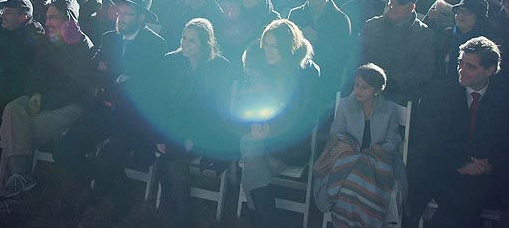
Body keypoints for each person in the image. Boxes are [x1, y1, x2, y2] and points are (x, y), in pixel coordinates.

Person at [0, 0, 98, 220]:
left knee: (15, 132)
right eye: (47, 17)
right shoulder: (47, 41)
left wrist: (44, 101)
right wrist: (34, 94)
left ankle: (10, 195)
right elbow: (34, 73)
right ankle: (20, 182)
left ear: (69, 19)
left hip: (70, 106)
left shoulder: (83, 46)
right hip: (41, 99)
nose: (47, 22)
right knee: (12, 109)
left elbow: (76, 89)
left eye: (53, 18)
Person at [407, 37, 509, 228]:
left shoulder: (505, 98)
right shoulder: (440, 94)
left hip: (484, 174)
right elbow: (428, 143)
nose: (461, 70)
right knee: (456, 198)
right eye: (460, 63)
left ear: (490, 70)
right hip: (441, 167)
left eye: (470, 66)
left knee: (467, 193)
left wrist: (489, 165)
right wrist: (460, 165)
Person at [82, 0, 167, 222]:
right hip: (104, 108)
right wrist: (114, 79)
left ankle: (111, 201)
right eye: (120, 12)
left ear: (141, 17)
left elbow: (149, 88)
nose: (121, 18)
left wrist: (117, 80)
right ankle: (109, 187)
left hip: (133, 119)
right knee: (68, 147)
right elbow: (94, 70)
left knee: (108, 156)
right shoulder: (110, 37)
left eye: (128, 14)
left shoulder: (155, 45)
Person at [237, 19, 321, 228]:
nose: (267, 51)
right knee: (249, 145)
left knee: (250, 171)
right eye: (265, 45)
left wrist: (270, 132)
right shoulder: (267, 66)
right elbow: (257, 103)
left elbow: (304, 119)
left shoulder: (307, 72)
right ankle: (268, 222)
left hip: (293, 143)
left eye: (273, 46)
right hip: (266, 137)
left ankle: (262, 222)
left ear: (287, 47)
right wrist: (258, 125)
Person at [153, 19, 235, 228]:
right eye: (184, 38)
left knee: (170, 156)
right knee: (170, 154)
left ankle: (179, 215)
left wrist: (192, 136)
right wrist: (163, 135)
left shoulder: (219, 67)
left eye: (192, 41)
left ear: (205, 44)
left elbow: (214, 111)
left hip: (206, 129)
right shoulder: (171, 61)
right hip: (174, 128)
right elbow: (162, 103)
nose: (185, 44)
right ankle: (181, 214)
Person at [313, 64, 407, 226]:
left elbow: (393, 140)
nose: (358, 90)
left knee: (361, 176)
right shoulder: (344, 105)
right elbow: (336, 133)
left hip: (379, 160)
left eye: (365, 87)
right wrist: (350, 148)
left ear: (377, 90)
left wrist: (377, 151)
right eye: (356, 85)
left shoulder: (390, 109)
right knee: (352, 180)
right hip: (348, 157)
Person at [361, 0, 437, 104]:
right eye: (391, 1)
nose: (392, 6)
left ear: (411, 7)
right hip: (365, 90)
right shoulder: (371, 26)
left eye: (399, 3)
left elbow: (423, 70)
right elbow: (358, 55)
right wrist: (368, 80)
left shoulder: (425, 35)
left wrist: (394, 83)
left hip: (401, 98)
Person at [289, 0, 351, 101]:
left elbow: (341, 55)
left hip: (327, 80)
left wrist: (318, 40)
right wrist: (300, 37)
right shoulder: (295, 15)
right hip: (298, 78)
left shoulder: (341, 20)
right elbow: (287, 46)